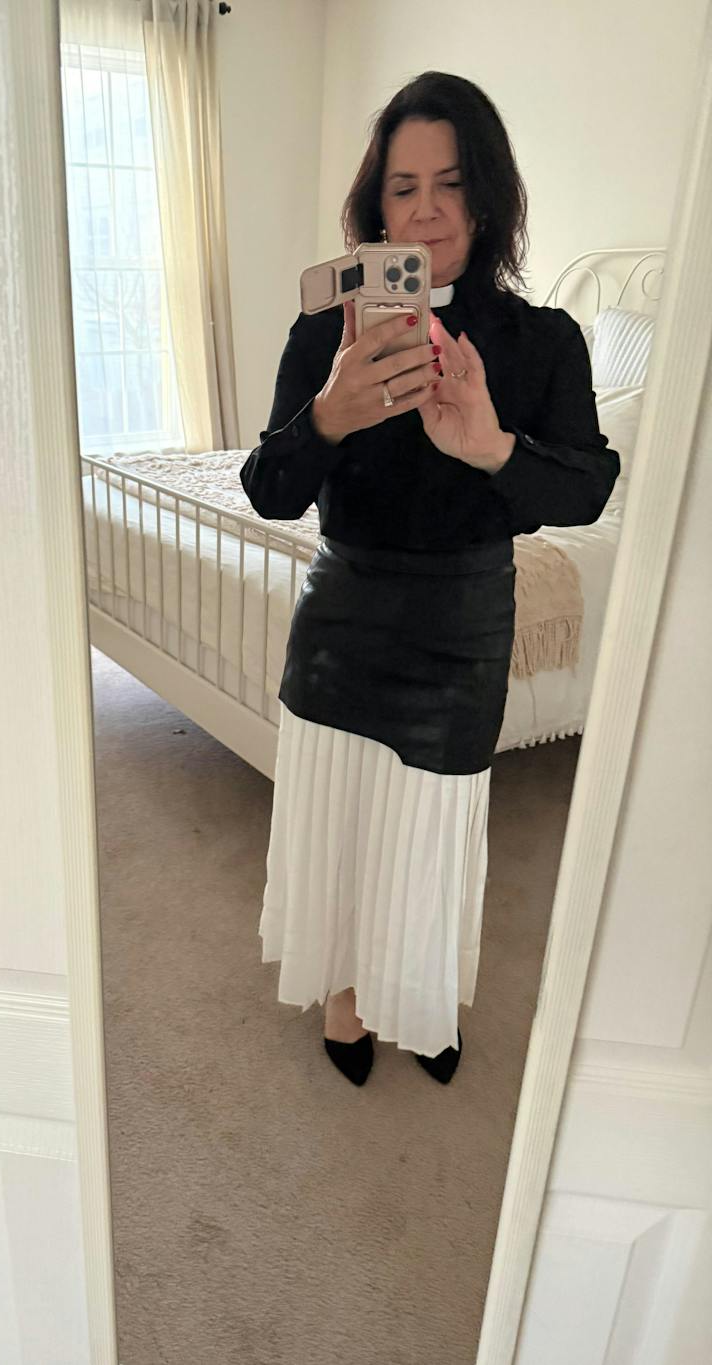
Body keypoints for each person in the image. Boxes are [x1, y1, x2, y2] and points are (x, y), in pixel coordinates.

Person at [239, 71, 620, 1088]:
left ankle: (416, 995)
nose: (427, 210)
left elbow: (587, 489)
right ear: (377, 208)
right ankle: (345, 994)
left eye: (450, 183)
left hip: (462, 629)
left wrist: (492, 446)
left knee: (431, 835)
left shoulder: (542, 342)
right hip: (344, 620)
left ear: (486, 198)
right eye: (403, 187)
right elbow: (269, 490)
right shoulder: (324, 335)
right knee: (340, 823)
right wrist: (327, 418)